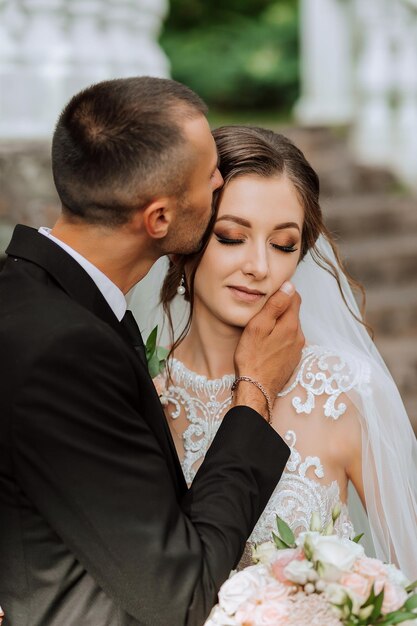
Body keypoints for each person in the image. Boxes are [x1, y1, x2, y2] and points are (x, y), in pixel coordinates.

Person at [0, 79, 305, 625]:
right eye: (210, 177)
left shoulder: (37, 298)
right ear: (160, 219)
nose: (220, 180)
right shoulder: (63, 347)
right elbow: (179, 596)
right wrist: (254, 389)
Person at [157, 125, 417, 579]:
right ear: (186, 236)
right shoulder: (143, 392)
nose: (259, 266)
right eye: (231, 236)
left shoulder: (345, 391)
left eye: (283, 245)